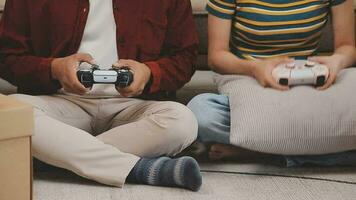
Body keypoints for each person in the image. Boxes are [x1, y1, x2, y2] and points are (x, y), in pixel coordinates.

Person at [0, 0, 202, 191]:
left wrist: (149, 74)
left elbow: (185, 59)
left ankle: (54, 155)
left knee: (183, 121)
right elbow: (7, 57)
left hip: (134, 107)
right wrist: (54, 69)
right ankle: (139, 169)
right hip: (58, 102)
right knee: (7, 115)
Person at [188, 0, 356, 166]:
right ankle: (297, 150)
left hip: (308, 81)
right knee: (201, 113)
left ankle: (259, 150)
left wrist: (337, 62)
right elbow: (217, 57)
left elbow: (347, 47)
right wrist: (255, 68)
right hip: (251, 80)